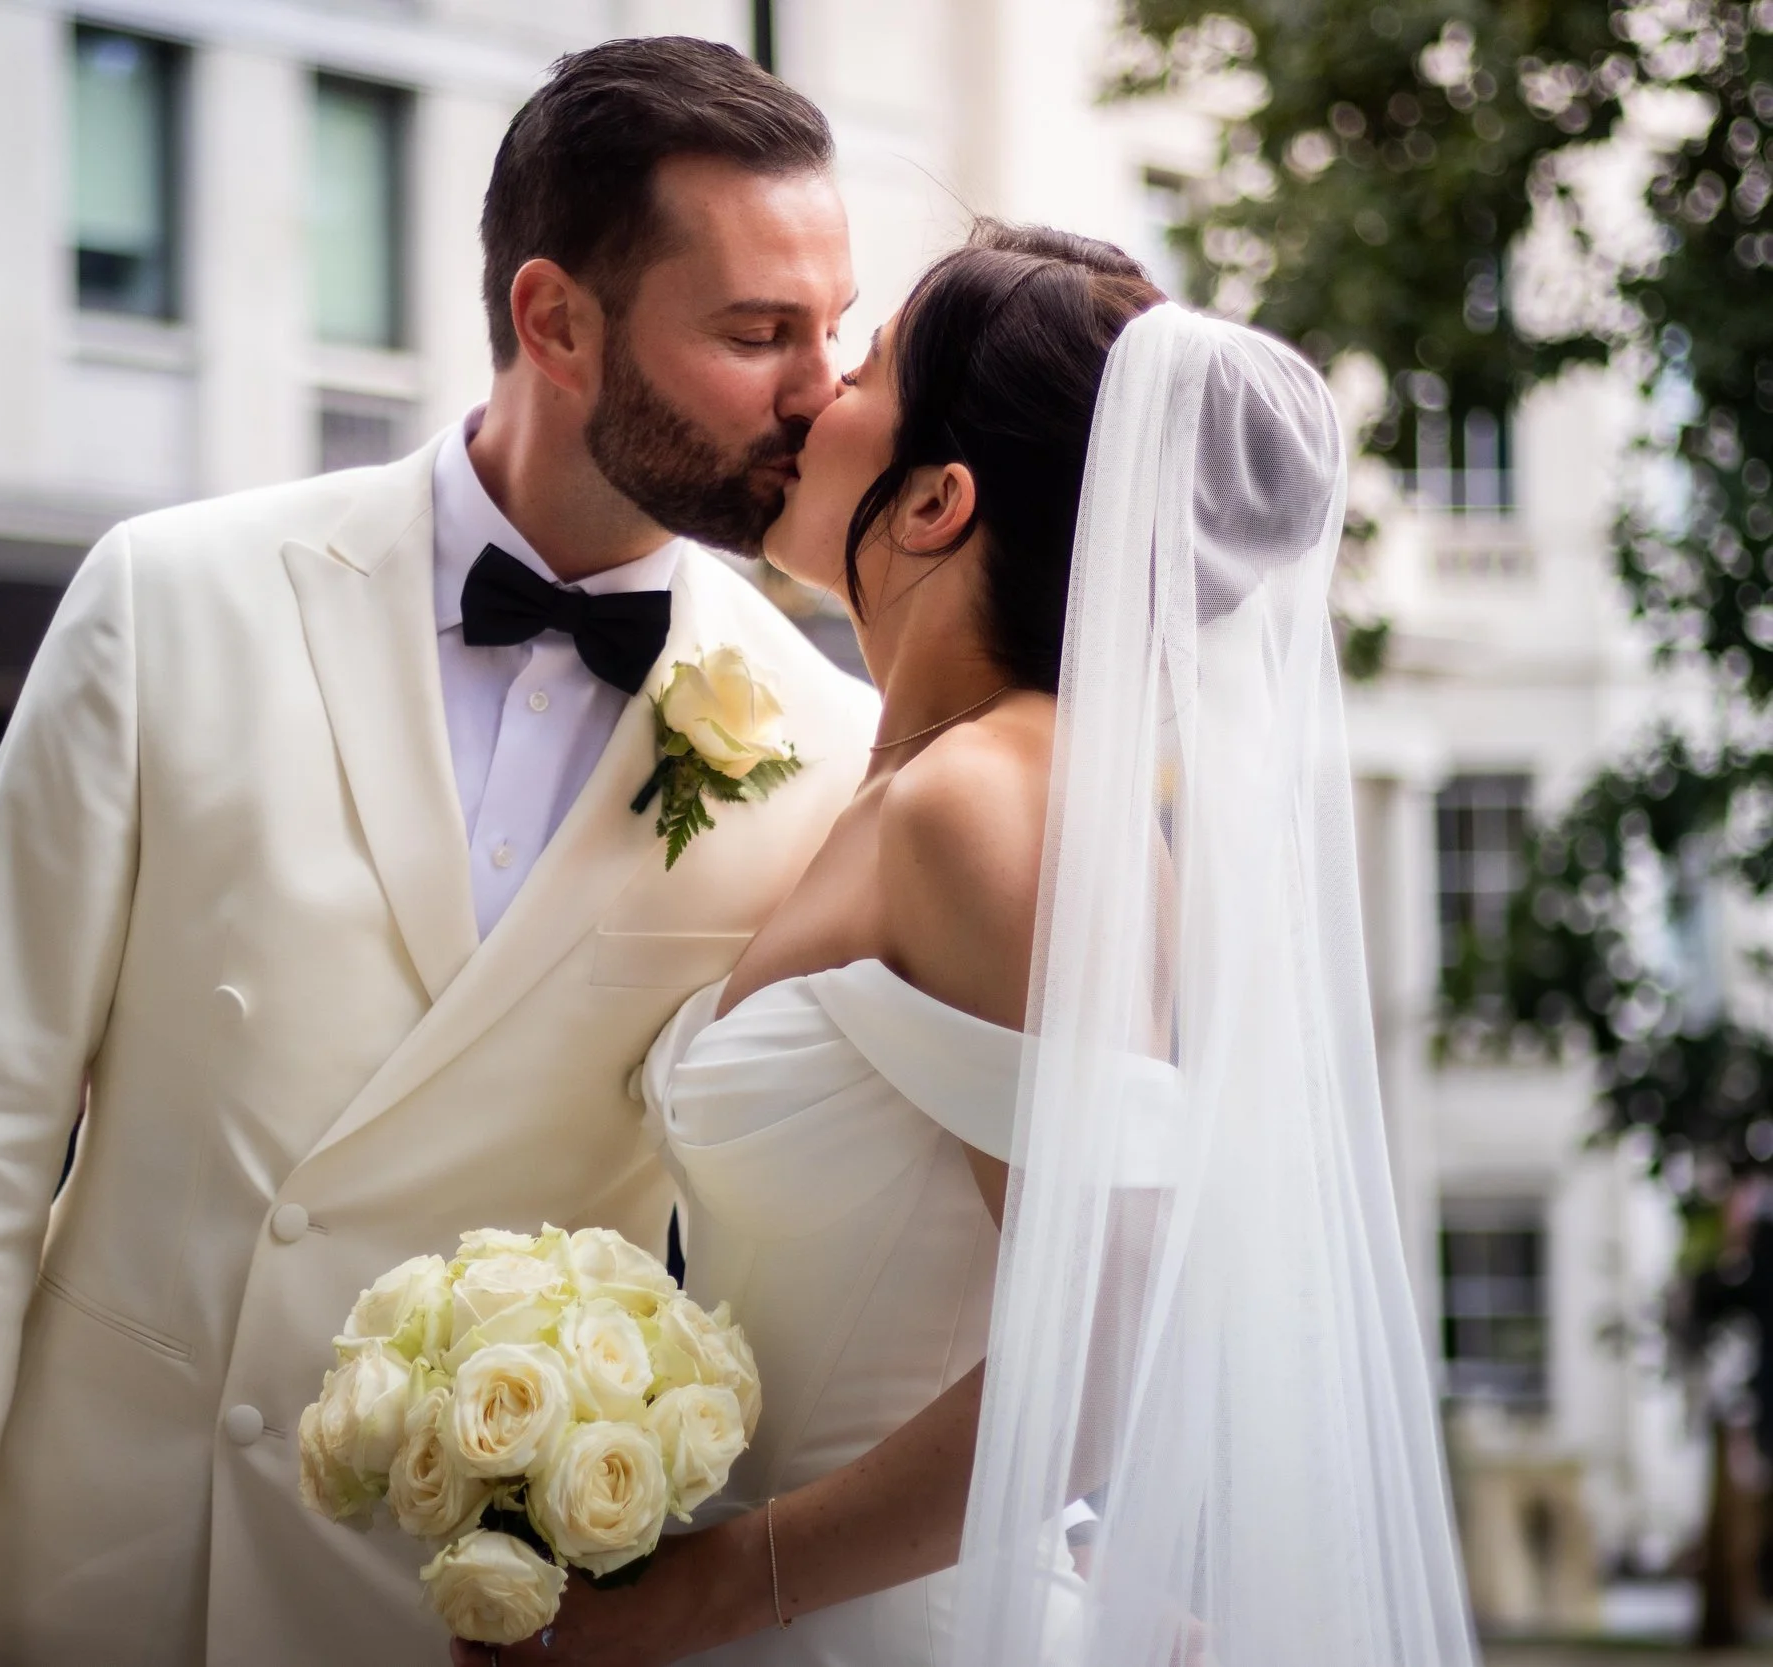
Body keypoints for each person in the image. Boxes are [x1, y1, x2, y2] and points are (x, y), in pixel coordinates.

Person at [0, 37, 876, 1667]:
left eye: (835, 328)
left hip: (460, 1615)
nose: (820, 390)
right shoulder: (168, 599)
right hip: (118, 1579)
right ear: (555, 322)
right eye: (758, 333)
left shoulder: (817, 738)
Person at [457, 225, 1477, 1664]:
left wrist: (716, 1585)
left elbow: (1109, 1342)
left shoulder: (991, 801)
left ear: (936, 498)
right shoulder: (919, 783)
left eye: (865, 364)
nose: (811, 397)